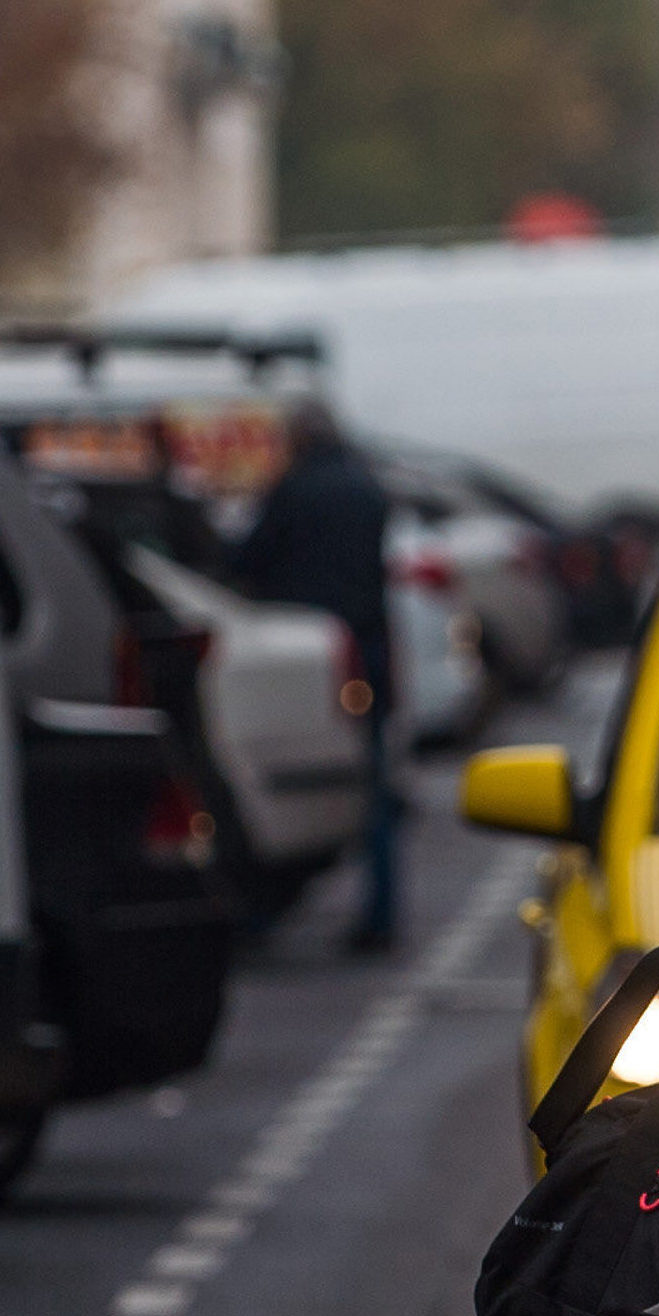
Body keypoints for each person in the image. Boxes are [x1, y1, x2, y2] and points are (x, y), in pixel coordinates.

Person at [235, 397, 403, 955]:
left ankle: (262, 912)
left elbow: (249, 560)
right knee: (375, 784)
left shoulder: (292, 491)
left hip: (306, 651)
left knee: (289, 766)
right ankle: (381, 914)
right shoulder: (366, 488)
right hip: (367, 646)